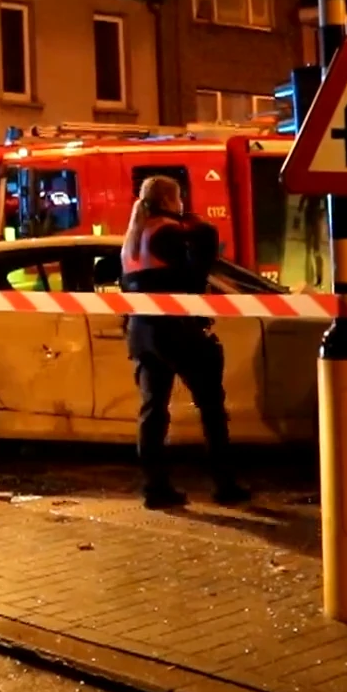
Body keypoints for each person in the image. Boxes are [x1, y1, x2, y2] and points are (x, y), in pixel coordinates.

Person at [121, 175, 249, 508]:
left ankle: (155, 489)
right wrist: (202, 231)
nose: (182, 204)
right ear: (168, 200)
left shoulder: (134, 237)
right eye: (179, 198)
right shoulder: (168, 232)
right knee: (211, 408)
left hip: (142, 331)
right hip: (175, 330)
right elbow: (192, 280)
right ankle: (225, 484)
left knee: (152, 411)